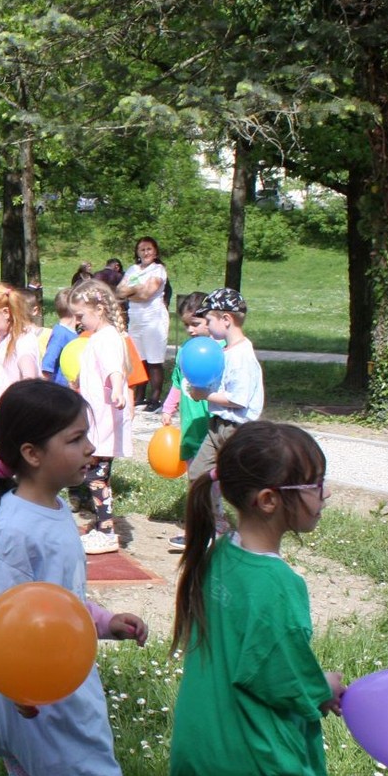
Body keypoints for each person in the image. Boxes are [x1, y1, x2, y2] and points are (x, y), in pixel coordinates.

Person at [0, 380, 149, 776]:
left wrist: (103, 622)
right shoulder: (14, 532)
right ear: (31, 453)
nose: (90, 448)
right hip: (31, 694)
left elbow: (55, 603)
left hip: (35, 687)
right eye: (74, 439)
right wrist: (19, 686)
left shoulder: (50, 512)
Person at [166, 421, 342, 776]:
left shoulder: (218, 553)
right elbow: (279, 677)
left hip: (200, 745)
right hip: (247, 754)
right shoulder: (279, 585)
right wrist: (323, 687)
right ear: (268, 500)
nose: (323, 497)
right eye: (316, 485)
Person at [68, 279, 132, 555]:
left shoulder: (107, 338)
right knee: (98, 474)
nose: (78, 322)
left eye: (81, 315)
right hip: (97, 416)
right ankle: (103, 525)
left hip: (105, 418)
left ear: (99, 309)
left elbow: (113, 369)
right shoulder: (100, 337)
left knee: (96, 474)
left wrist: (117, 389)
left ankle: (107, 532)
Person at [185, 288, 264, 482]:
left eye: (210, 321)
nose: (208, 326)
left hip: (237, 430)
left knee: (240, 481)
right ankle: (209, 512)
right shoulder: (226, 351)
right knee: (198, 475)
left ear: (226, 320)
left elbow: (237, 399)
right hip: (217, 426)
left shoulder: (241, 356)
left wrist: (204, 394)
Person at [164, 292, 212, 554]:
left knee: (204, 482)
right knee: (196, 481)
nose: (191, 330)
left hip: (210, 428)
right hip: (191, 428)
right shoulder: (186, 353)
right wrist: (168, 408)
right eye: (186, 325)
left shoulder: (216, 353)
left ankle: (204, 531)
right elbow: (176, 383)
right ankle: (207, 529)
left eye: (196, 324)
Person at [118, 237, 170, 410]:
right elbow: (119, 291)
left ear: (155, 251)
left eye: (149, 249)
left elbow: (147, 293)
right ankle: (139, 395)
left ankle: (154, 398)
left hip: (153, 319)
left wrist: (131, 291)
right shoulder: (133, 269)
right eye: (142, 249)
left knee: (154, 360)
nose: (146, 253)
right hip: (136, 319)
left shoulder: (158, 270)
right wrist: (137, 289)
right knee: (138, 359)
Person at [0, 282, 42, 420]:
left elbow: (30, 376)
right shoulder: (4, 338)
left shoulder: (23, 339)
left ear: (6, 312)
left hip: (12, 420)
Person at [40, 288, 81, 389]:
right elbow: (48, 362)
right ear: (75, 311)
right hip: (60, 389)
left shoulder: (70, 333)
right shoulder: (60, 333)